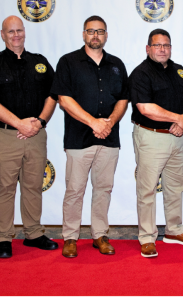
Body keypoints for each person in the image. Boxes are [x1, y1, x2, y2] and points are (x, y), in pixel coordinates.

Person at [0, 16, 59, 259]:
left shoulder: (40, 62)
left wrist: (40, 122)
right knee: (4, 187)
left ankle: (33, 233)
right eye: (10, 31)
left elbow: (53, 95)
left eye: (19, 30)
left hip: (36, 133)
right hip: (5, 135)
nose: (16, 35)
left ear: (25, 32)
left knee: (33, 186)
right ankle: (3, 237)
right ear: (2, 34)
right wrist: (19, 124)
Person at [51, 16, 129, 259]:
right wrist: (93, 122)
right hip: (78, 138)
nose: (96, 36)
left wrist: (110, 122)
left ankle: (99, 235)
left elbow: (123, 99)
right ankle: (71, 237)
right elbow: (63, 99)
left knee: (103, 188)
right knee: (75, 190)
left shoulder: (117, 64)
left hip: (109, 137)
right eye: (91, 31)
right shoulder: (68, 62)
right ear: (84, 34)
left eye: (100, 31)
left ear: (106, 35)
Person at [129, 29, 183, 258]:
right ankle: (148, 237)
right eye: (157, 45)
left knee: (175, 187)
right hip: (151, 137)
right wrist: (177, 118)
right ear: (148, 48)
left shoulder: (179, 70)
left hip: (177, 137)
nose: (162, 49)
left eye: (166, 45)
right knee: (147, 189)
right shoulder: (140, 74)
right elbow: (145, 108)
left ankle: (174, 230)